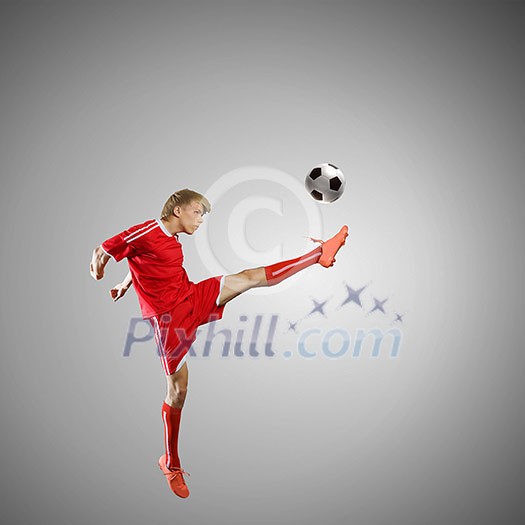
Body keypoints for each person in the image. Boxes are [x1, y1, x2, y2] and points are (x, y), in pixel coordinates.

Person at [90, 188, 348, 498]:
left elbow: (140, 260)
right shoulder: (148, 229)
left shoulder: (172, 241)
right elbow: (106, 248)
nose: (200, 220)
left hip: (191, 295)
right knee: (178, 390)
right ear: (178, 211)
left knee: (247, 277)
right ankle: (170, 462)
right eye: (197, 212)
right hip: (168, 319)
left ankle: (318, 255)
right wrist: (99, 269)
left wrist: (123, 284)